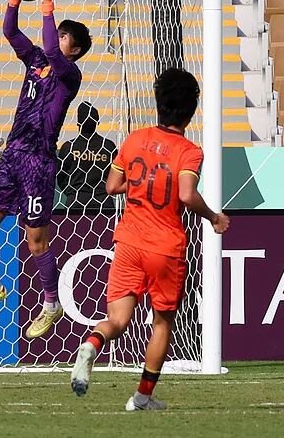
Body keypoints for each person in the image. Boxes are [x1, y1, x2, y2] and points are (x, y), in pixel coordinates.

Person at [70, 67, 230, 410]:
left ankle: (92, 344)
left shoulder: (134, 139)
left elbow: (112, 186)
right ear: (191, 111)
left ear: (159, 103)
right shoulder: (189, 151)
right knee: (162, 323)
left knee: (117, 321)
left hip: (128, 241)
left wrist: (141, 184)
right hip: (164, 247)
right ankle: (142, 397)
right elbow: (186, 195)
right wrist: (214, 217)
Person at [0, 0, 92, 339]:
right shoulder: (36, 59)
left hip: (39, 162)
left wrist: (46, 3)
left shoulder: (69, 76)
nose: (58, 38)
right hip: (13, 154)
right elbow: (10, 32)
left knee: (36, 241)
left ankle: (51, 304)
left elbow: (53, 50)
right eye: (59, 32)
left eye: (65, 36)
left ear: (75, 50)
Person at [57, 101, 117, 212]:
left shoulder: (68, 147)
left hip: (76, 203)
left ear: (78, 124)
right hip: (103, 204)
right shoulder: (109, 146)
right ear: (97, 122)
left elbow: (60, 177)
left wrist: (72, 192)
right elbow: (117, 175)